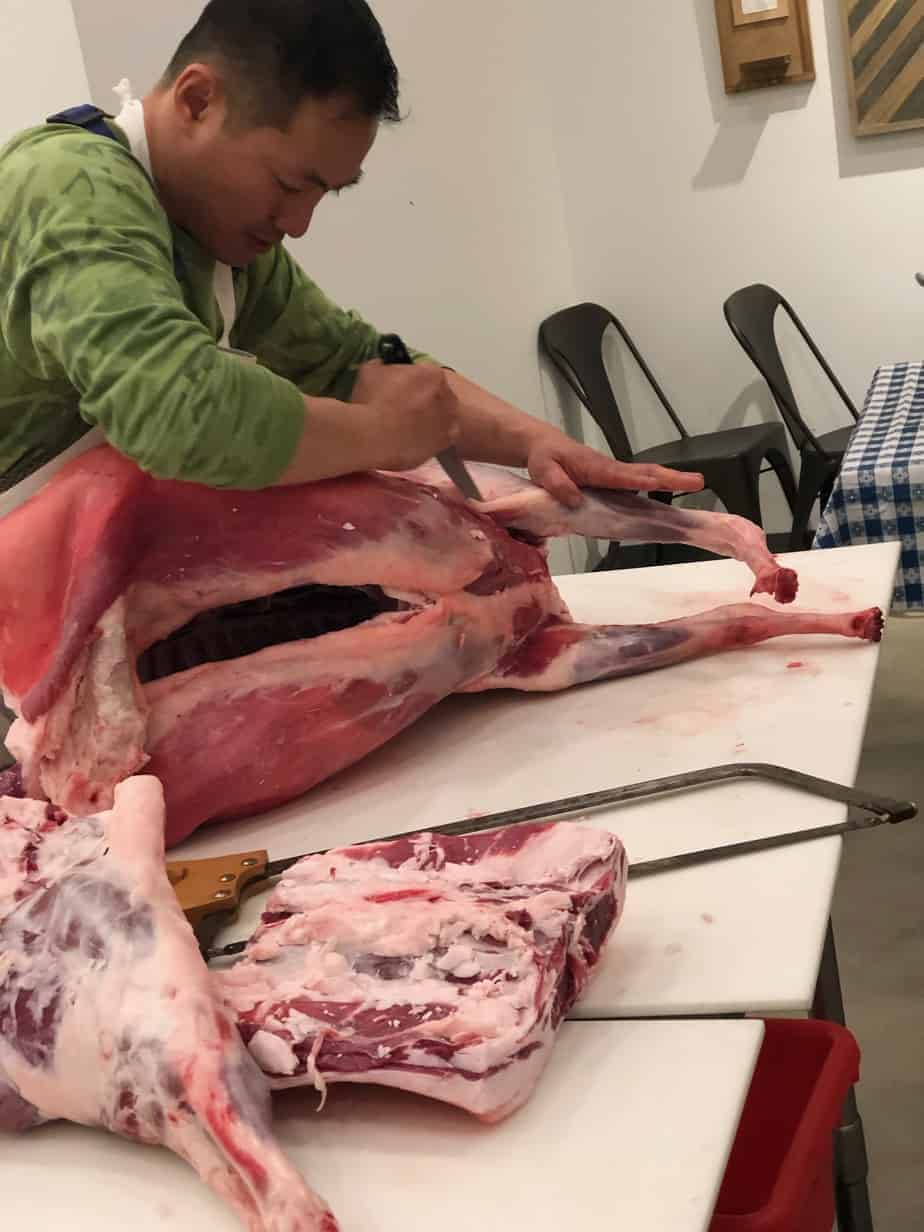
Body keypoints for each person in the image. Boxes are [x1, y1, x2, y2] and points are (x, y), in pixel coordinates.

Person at [0, 0, 703, 513]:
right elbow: (177, 409)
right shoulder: (72, 185)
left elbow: (358, 360)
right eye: (288, 184)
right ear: (197, 99)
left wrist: (535, 441)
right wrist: (380, 437)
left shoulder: (225, 241)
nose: (299, 225)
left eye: (325, 195)